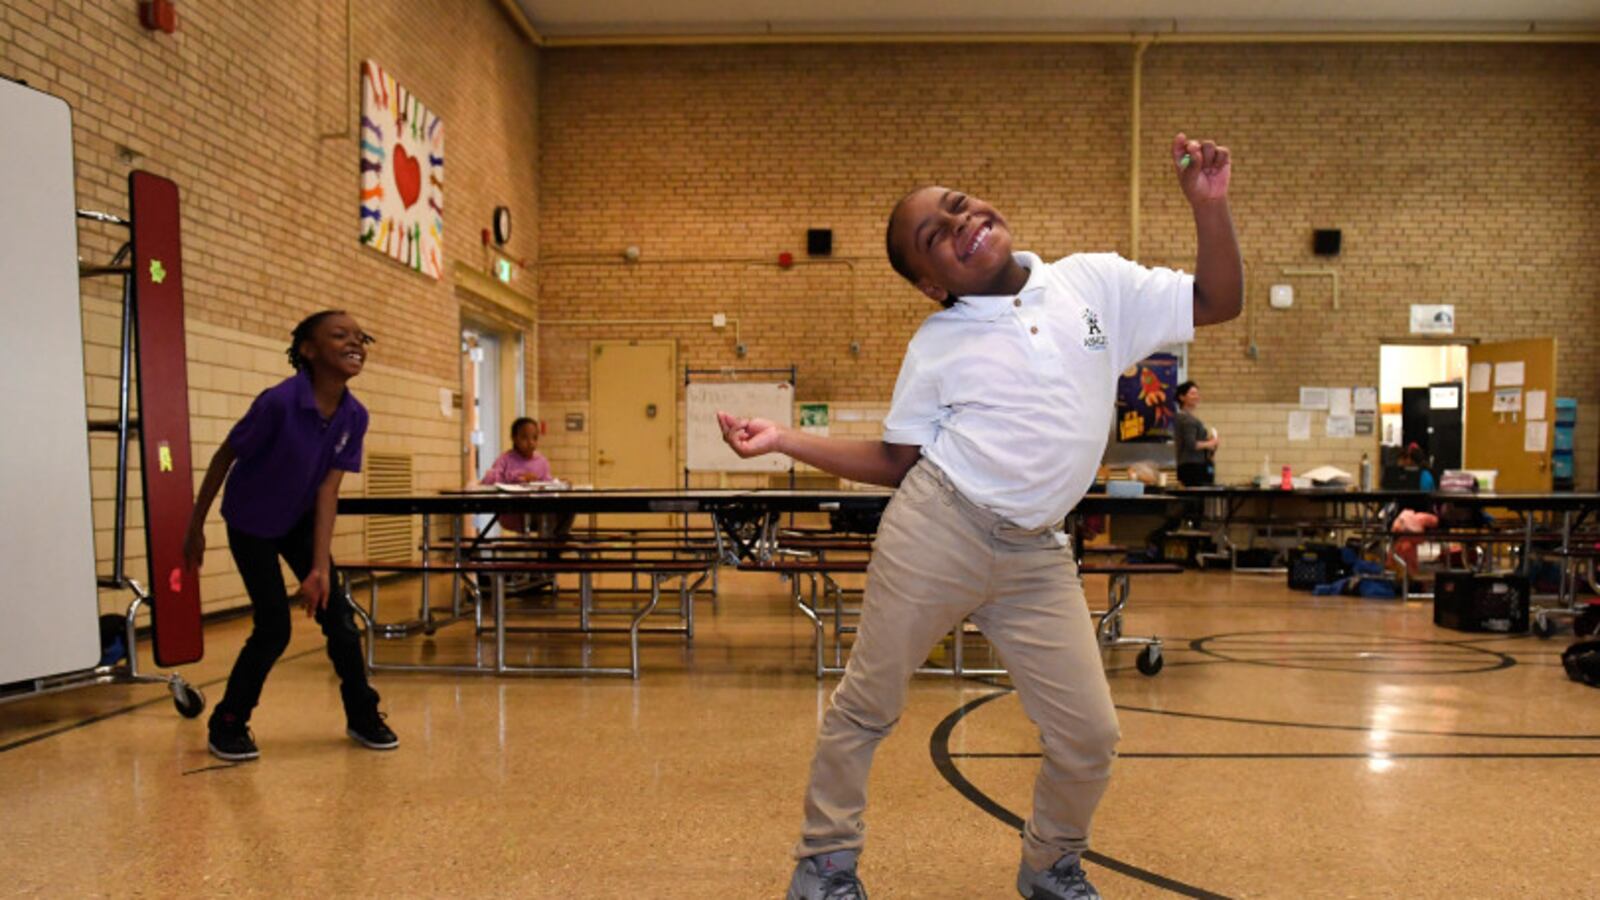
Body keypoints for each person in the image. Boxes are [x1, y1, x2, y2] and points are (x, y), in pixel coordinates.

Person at [720, 133, 1241, 900]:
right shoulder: (937, 343)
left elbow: (1217, 300)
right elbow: (899, 462)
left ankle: (1051, 865)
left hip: (1035, 554)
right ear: (931, 284)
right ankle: (824, 867)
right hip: (940, 529)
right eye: (936, 235)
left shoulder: (1091, 291)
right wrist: (783, 441)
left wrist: (1211, 208)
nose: (961, 222)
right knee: (867, 704)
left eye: (959, 204)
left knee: (1090, 734)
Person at [183, 310, 397, 762]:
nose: (355, 342)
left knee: (339, 619)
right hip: (251, 521)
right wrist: (195, 525)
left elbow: (328, 491)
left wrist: (320, 566)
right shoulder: (278, 403)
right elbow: (225, 456)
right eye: (339, 335)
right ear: (308, 349)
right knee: (274, 627)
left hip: (299, 520)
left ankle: (362, 715)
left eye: (361, 336)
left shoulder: (354, 415)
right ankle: (228, 722)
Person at [480, 416, 555, 534]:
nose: (530, 442)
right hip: (512, 511)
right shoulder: (505, 459)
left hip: (538, 510)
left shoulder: (542, 461)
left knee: (565, 511)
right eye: (524, 438)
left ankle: (552, 547)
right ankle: (546, 546)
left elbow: (548, 485)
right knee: (545, 517)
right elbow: (487, 481)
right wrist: (519, 478)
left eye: (534, 438)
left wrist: (558, 483)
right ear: (514, 438)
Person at [1172, 380, 1219, 486]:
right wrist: (1211, 443)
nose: (1196, 396)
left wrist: (1209, 443)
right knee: (1195, 500)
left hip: (1189, 465)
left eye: (1197, 394)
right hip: (1192, 467)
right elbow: (1191, 444)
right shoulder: (1187, 419)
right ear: (1182, 397)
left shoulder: (1185, 418)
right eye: (1192, 393)